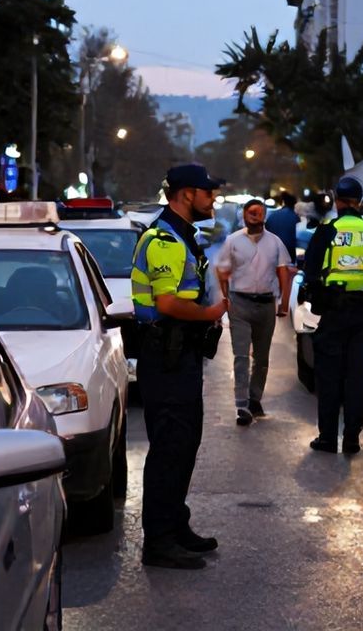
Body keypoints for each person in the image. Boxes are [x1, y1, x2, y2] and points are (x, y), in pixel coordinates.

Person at [129, 163, 229, 571]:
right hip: (166, 358)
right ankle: (159, 541)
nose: (213, 199)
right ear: (186, 194)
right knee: (170, 448)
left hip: (179, 357)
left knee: (183, 445)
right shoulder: (165, 240)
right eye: (208, 192)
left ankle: (175, 524)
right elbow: (168, 304)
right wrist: (213, 313)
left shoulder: (181, 237)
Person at [302, 177, 363, 454]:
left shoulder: (327, 231)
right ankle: (352, 437)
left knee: (329, 376)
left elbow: (311, 271)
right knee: (357, 377)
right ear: (360, 201)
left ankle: (328, 437)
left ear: (337, 200)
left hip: (333, 312)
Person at [215, 199, 295, 426]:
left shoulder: (275, 243)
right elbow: (222, 271)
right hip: (239, 303)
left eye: (259, 213)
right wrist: (225, 298)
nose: (255, 216)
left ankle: (254, 398)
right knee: (240, 356)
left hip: (265, 304)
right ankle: (242, 405)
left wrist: (283, 303)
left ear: (265, 216)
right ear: (244, 215)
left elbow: (283, 273)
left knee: (261, 358)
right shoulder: (232, 241)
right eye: (251, 212)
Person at [265, 192, 300, 259]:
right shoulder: (295, 217)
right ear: (294, 204)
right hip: (288, 252)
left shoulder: (272, 216)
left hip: (271, 252)